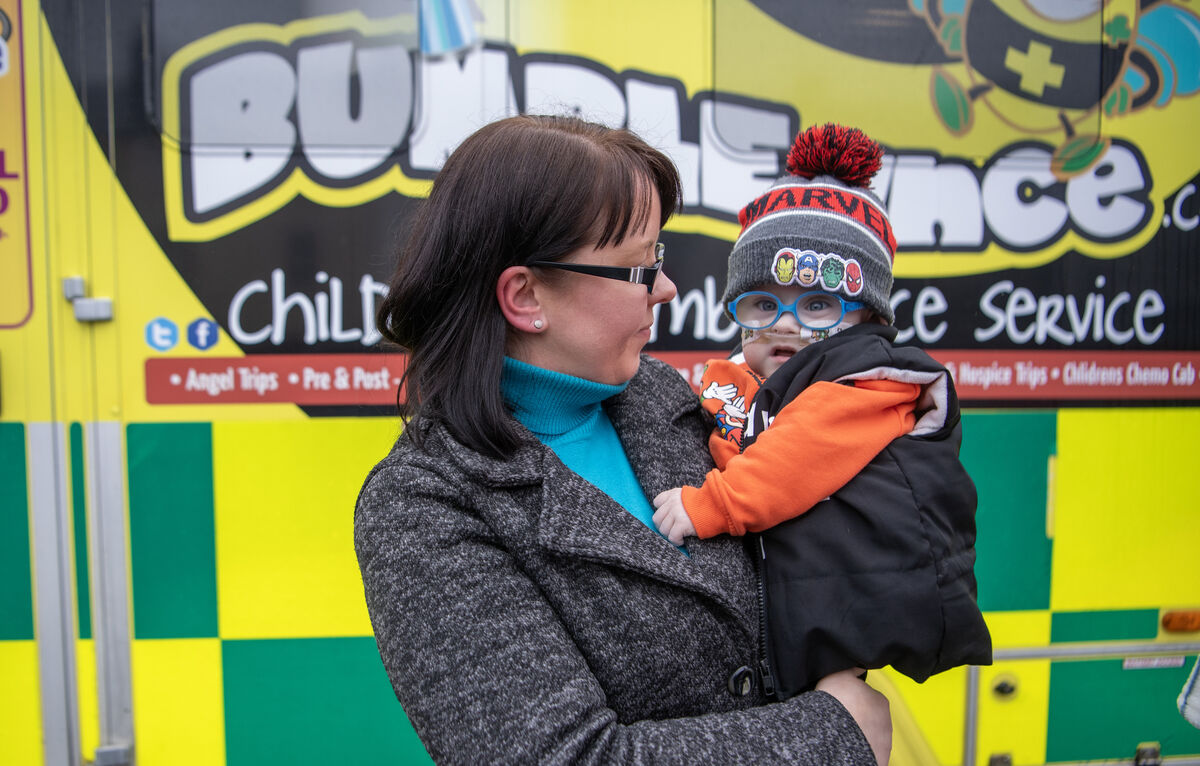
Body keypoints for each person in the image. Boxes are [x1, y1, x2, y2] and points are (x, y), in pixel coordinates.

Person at [355, 114, 891, 764]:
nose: (665, 289)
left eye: (658, 259)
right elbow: (563, 758)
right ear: (526, 297)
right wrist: (835, 734)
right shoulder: (424, 504)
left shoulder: (664, 396)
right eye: (638, 269)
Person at [652, 124, 991, 698]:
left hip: (844, 615)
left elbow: (795, 456)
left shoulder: (866, 382)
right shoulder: (748, 378)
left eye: (817, 305)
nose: (785, 324)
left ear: (867, 318)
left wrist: (711, 504)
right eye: (763, 304)